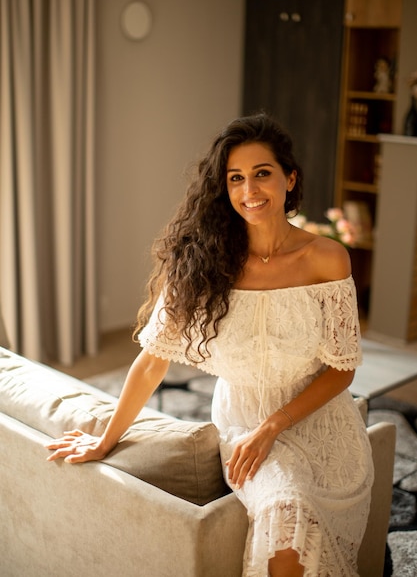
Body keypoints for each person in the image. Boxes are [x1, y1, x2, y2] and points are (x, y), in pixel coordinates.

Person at [46, 113, 374, 577]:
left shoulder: (326, 259)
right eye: (235, 178)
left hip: (323, 429)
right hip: (244, 426)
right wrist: (106, 439)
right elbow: (151, 362)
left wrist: (276, 425)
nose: (249, 190)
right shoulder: (202, 263)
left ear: (290, 178)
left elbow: (343, 368)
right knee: (287, 513)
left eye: (262, 173)